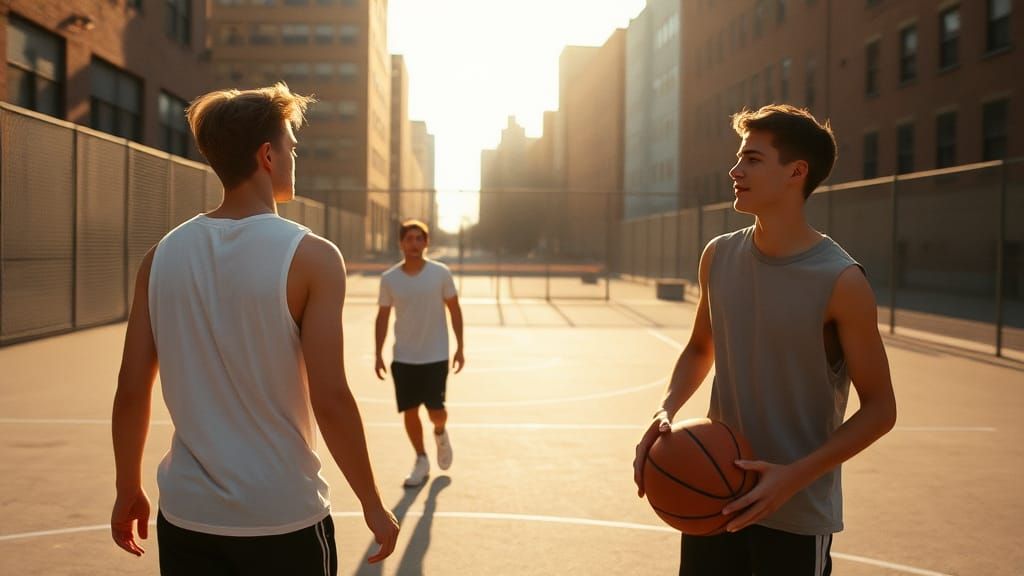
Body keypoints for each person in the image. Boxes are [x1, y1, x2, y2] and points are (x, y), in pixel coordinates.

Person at [110, 83, 399, 574]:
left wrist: (126, 488)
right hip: (282, 515)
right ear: (268, 155)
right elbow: (330, 398)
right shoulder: (313, 257)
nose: (293, 157)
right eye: (291, 146)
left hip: (188, 516)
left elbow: (132, 385)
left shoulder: (160, 256)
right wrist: (371, 501)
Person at [633, 104, 897, 576]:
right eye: (739, 158)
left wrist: (791, 478)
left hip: (795, 512)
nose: (735, 171)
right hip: (717, 501)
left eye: (752, 159)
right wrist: (666, 409)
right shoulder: (718, 256)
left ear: (796, 172)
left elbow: (880, 409)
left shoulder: (841, 280)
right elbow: (699, 347)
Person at [375, 219, 465, 487]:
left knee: (436, 411)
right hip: (403, 357)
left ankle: (440, 432)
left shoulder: (440, 274)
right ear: (401, 243)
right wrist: (378, 353)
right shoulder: (389, 279)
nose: (414, 244)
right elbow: (382, 317)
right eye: (409, 239)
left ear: (426, 243)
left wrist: (460, 347)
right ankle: (421, 458)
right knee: (410, 411)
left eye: (419, 239)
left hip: (436, 355)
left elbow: (455, 310)